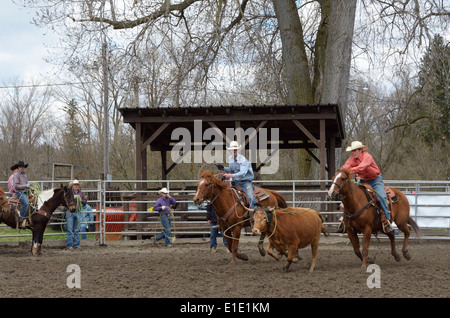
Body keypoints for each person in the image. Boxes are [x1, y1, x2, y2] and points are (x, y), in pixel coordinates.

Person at [342, 141, 394, 233]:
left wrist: (349, 171)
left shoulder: (367, 157)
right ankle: (347, 220)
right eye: (352, 151)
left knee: (381, 196)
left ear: (360, 150)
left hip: (375, 180)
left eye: (355, 150)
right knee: (353, 196)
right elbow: (345, 166)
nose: (353, 152)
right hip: (363, 180)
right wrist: (341, 172)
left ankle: (387, 219)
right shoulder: (351, 159)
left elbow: (362, 167)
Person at [219, 141, 256, 210]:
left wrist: (231, 176)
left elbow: (242, 173)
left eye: (235, 149)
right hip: (236, 182)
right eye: (232, 149)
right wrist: (223, 168)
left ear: (237, 150)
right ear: (230, 150)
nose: (234, 151)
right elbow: (231, 169)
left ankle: (255, 212)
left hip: (245, 182)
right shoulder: (230, 158)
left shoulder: (242, 159)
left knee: (250, 198)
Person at [65, 179, 87, 249]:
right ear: (73, 186)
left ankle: (76, 244)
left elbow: (85, 201)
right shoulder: (69, 193)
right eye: (75, 185)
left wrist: (81, 200)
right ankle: (69, 244)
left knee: (77, 229)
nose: (76, 186)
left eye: (77, 185)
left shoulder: (81, 193)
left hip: (78, 211)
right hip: (70, 212)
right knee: (70, 229)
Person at [13, 161, 30, 228]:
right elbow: (16, 186)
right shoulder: (16, 175)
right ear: (18, 167)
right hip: (19, 192)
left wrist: (29, 185)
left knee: (34, 201)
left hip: (25, 191)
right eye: (20, 167)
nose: (22, 168)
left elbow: (26, 182)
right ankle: (21, 218)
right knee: (26, 203)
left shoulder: (24, 174)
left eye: (23, 167)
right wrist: (26, 186)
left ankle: (30, 218)